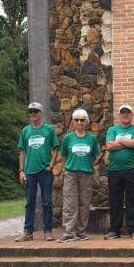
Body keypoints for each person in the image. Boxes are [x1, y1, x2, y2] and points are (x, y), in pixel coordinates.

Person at [15, 102, 59, 242]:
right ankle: (28, 232)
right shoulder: (25, 131)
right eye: (30, 112)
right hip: (30, 171)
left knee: (46, 202)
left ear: (41, 113)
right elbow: (22, 151)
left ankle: (48, 231)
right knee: (30, 202)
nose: (33, 114)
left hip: (45, 171)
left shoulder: (49, 130)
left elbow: (56, 148)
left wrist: (51, 165)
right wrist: (21, 170)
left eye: (35, 111)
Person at [57, 109, 99, 243]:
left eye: (82, 120)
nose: (79, 122)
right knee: (70, 203)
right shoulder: (68, 138)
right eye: (77, 120)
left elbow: (94, 156)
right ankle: (69, 232)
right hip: (71, 173)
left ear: (86, 122)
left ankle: (81, 231)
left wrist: (87, 166)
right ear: (73, 122)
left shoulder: (91, 138)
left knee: (84, 202)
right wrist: (67, 167)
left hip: (86, 173)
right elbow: (63, 155)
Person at [104, 104, 134, 240]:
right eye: (122, 112)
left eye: (128, 112)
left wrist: (119, 141)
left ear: (132, 115)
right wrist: (128, 142)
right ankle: (114, 230)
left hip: (132, 169)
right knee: (115, 201)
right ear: (119, 115)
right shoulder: (112, 129)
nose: (125, 114)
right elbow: (109, 146)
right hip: (114, 170)